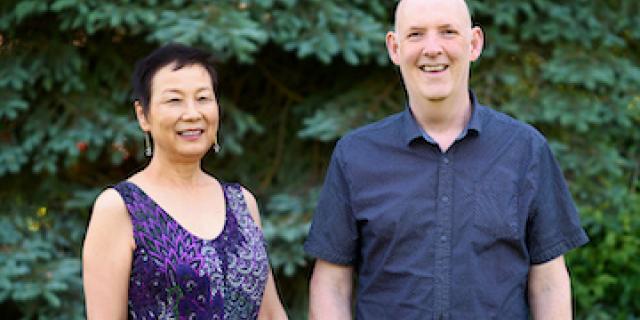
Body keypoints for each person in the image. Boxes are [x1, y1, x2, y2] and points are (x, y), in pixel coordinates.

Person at [304, 0, 589, 319]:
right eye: (415, 34)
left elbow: (548, 282)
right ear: (394, 48)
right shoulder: (355, 155)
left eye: (448, 32)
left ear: (474, 43)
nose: (432, 48)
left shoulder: (525, 150)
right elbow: (332, 283)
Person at [83, 43, 288, 319]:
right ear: (143, 115)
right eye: (174, 100)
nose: (192, 113)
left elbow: (270, 314)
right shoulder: (120, 208)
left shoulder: (242, 203)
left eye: (203, 98)